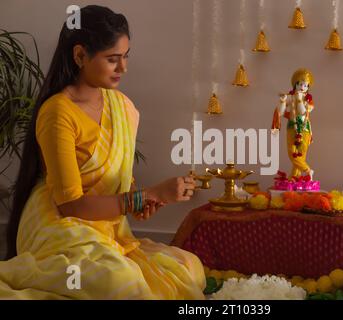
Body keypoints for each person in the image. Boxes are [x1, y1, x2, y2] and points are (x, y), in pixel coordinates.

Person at [0, 5, 205, 299]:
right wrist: (150, 195)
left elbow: (120, 183)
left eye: (125, 57)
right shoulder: (58, 112)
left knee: (188, 267)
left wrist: (144, 201)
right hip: (60, 227)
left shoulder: (123, 108)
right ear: (80, 55)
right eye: (113, 59)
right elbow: (70, 205)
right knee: (119, 282)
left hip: (108, 229)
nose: (124, 68)